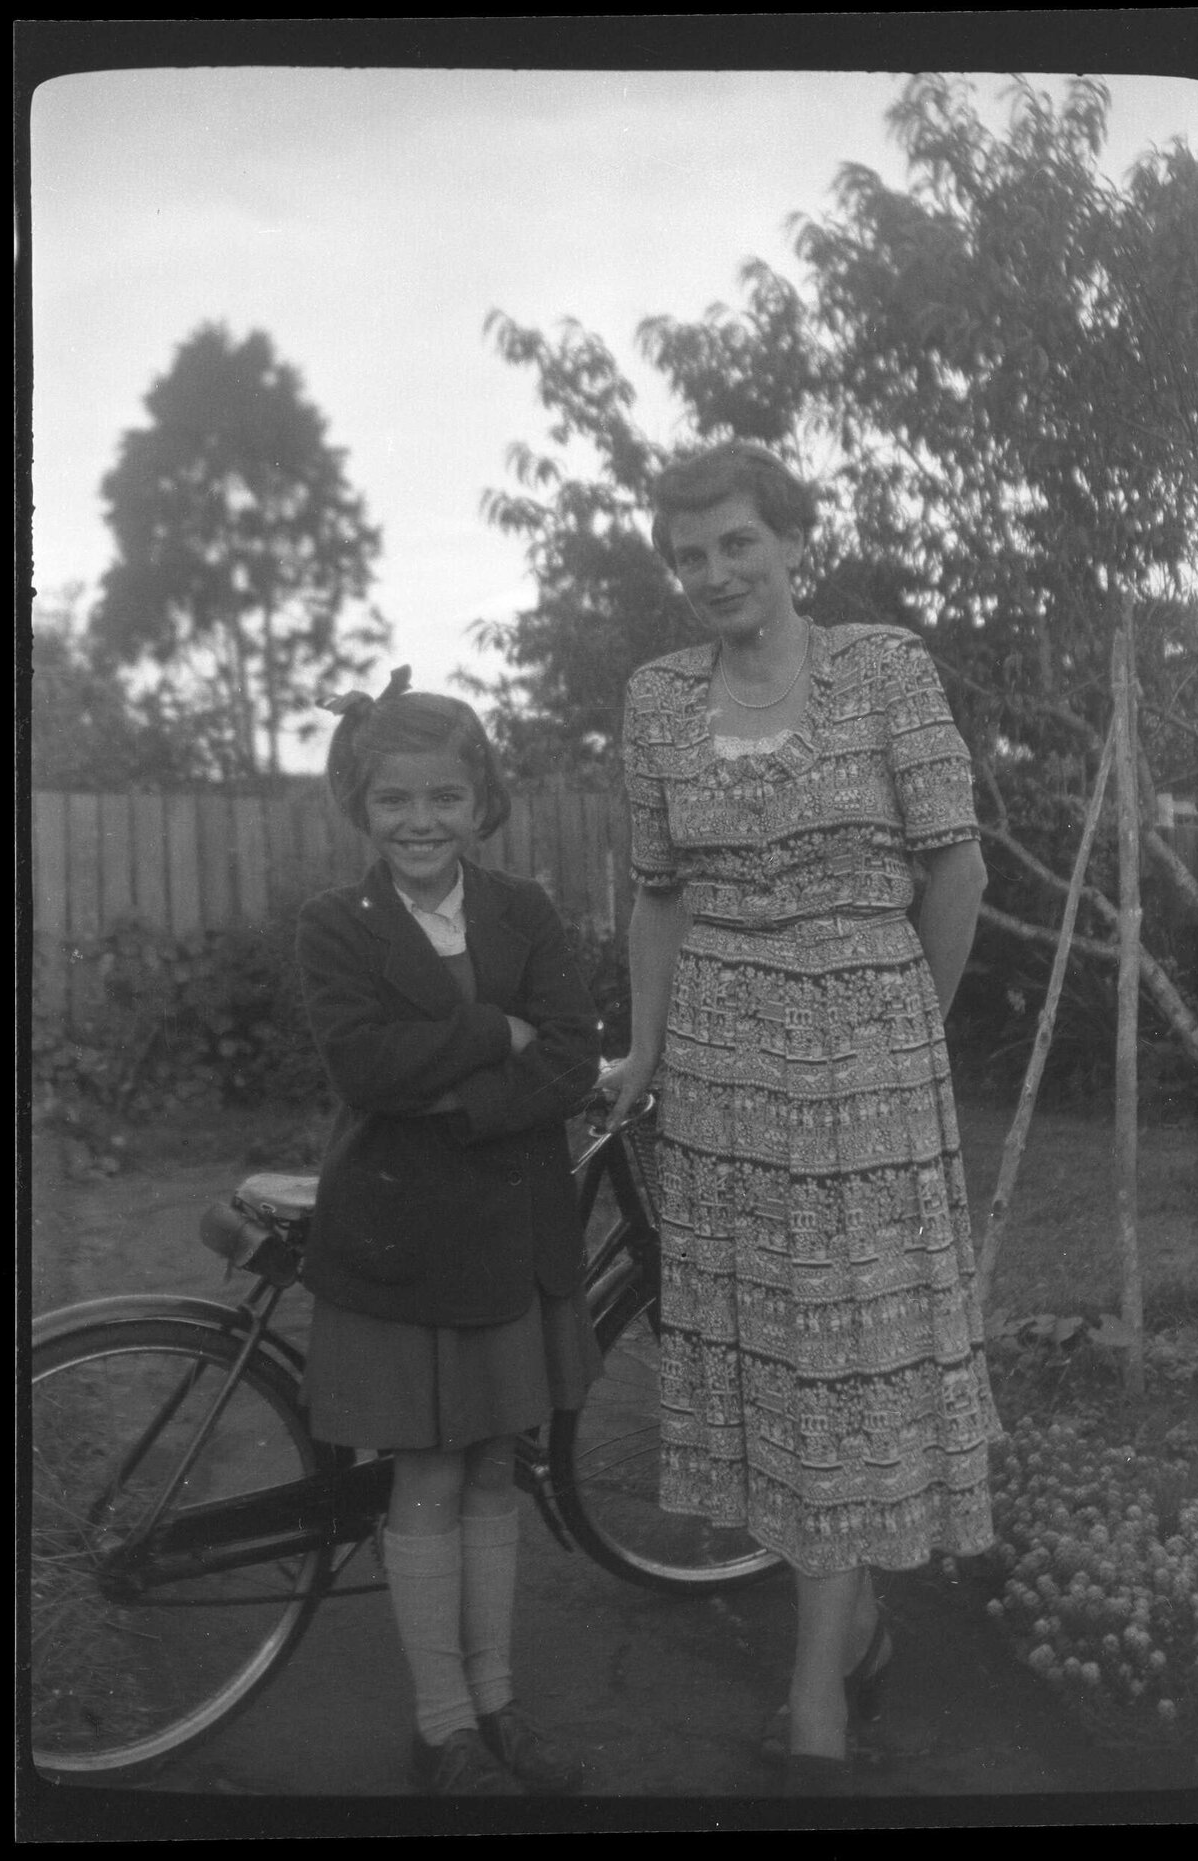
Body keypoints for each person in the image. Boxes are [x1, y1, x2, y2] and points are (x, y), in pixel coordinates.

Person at [600, 441, 1002, 1797]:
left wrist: (902, 1022)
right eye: (689, 553)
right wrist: (645, 1051)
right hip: (719, 1071)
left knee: (848, 1371)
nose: (714, 571)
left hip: (868, 1065)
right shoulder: (656, 699)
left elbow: (954, 862)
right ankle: (857, 1624)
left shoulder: (883, 669)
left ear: (788, 543)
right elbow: (657, 890)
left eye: (735, 543)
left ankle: (814, 1692)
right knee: (777, 1364)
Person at [296, 671, 603, 1798]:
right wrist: (496, 1030)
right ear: (360, 810)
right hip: (406, 1245)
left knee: (490, 1467)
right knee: (424, 1469)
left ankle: (499, 1700)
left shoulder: (522, 909)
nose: (419, 822)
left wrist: (472, 1093)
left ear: (480, 801)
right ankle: (442, 1724)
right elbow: (364, 1069)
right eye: (393, 803)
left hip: (512, 1237)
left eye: (443, 797)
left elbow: (569, 1057)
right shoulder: (337, 926)